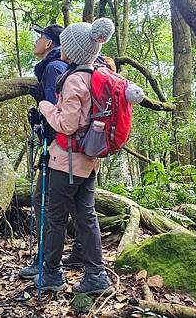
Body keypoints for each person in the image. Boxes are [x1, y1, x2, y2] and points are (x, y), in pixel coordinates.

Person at [34, 18, 115, 294]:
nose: (62, 49)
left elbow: (67, 124)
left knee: (55, 218)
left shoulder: (75, 80)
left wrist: (45, 107)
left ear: (73, 50)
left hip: (66, 163)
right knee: (86, 216)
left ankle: (53, 275)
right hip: (89, 161)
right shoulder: (98, 77)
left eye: (65, 44)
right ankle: (96, 276)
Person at [19, 24, 85, 280]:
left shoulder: (53, 68)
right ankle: (79, 252)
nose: (36, 40)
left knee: (42, 201)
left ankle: (46, 263)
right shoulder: (63, 66)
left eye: (40, 37)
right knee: (78, 203)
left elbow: (57, 116)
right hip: (77, 149)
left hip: (59, 149)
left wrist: (42, 115)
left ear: (49, 43)